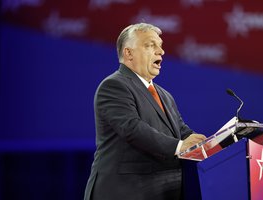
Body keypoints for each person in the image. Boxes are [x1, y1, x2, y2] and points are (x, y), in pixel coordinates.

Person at [84, 23, 206, 200]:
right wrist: (179, 147)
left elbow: (182, 132)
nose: (161, 51)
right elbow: (132, 128)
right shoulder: (114, 85)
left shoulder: (165, 95)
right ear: (129, 53)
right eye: (150, 45)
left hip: (163, 191)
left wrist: (213, 144)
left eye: (161, 46)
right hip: (124, 192)